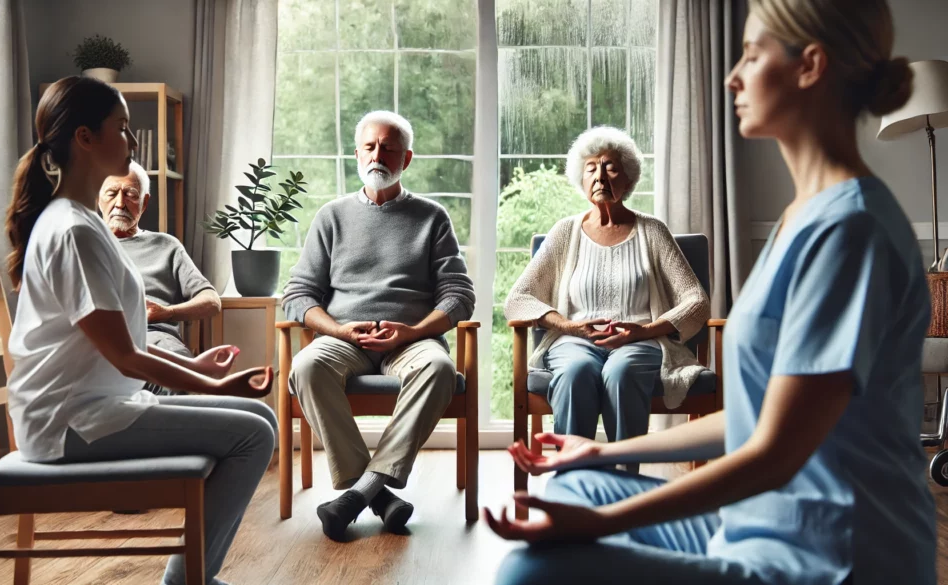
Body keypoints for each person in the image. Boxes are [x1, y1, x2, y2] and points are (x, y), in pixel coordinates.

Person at [488, 1, 935, 584]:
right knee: (578, 480)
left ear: (811, 66)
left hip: (827, 554)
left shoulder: (849, 232)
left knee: (528, 572)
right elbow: (751, 420)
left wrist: (599, 525)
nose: (732, 76)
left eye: (751, 55)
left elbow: (774, 451)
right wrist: (601, 452)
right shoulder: (800, 218)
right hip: (755, 520)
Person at [5, 76, 276, 585]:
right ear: (85, 138)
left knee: (259, 421)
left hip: (97, 409)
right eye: (123, 128)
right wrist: (213, 385)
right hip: (69, 424)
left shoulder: (81, 222)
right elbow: (127, 356)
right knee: (253, 434)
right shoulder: (73, 231)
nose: (132, 142)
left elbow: (120, 343)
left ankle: (190, 575)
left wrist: (192, 366)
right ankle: (186, 580)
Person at [282, 110, 476, 541]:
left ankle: (359, 491)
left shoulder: (432, 217)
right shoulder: (331, 217)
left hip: (410, 340)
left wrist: (415, 331)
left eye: (388, 147)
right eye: (369, 147)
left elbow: (460, 294)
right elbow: (297, 295)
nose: (377, 155)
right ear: (357, 154)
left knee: (440, 368)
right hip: (345, 337)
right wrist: (337, 331)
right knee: (307, 366)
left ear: (406, 158)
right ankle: (376, 494)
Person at [504, 126, 709, 468]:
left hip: (640, 341)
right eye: (591, 168)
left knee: (623, 372)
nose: (600, 176)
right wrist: (570, 327)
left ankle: (623, 485)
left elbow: (697, 301)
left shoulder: (652, 231)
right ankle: (573, 483)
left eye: (611, 167)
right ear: (580, 180)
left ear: (628, 178)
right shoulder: (565, 232)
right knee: (576, 372)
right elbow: (518, 299)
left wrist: (644, 331)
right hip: (573, 341)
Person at [99, 161, 222, 395]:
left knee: (178, 378)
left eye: (131, 195)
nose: (120, 203)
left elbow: (212, 301)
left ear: (144, 203)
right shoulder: (82, 244)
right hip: (100, 344)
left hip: (155, 338)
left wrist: (168, 312)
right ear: (98, 199)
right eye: (112, 193)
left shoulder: (166, 246)